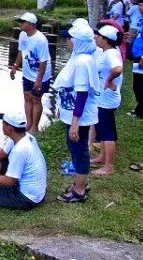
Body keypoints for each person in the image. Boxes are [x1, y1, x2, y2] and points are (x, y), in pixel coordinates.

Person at [54, 22, 99, 202]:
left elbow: (81, 94)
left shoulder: (82, 62)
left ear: (78, 41)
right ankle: (82, 182)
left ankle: (79, 191)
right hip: (73, 112)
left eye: (70, 38)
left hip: (78, 115)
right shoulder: (79, 56)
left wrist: (75, 123)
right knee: (75, 148)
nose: (67, 41)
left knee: (79, 150)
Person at [10, 12, 52, 134]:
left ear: (30, 24)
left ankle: (35, 126)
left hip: (40, 74)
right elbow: (21, 52)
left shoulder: (41, 40)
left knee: (36, 99)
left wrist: (38, 81)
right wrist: (15, 66)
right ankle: (28, 123)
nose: (20, 24)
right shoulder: (23, 35)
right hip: (27, 73)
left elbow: (43, 62)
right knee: (27, 97)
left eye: (22, 22)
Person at [91, 25, 123, 176]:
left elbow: (117, 69)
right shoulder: (107, 52)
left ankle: (109, 166)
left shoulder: (111, 54)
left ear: (106, 39)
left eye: (98, 36)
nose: (96, 38)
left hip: (106, 100)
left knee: (107, 131)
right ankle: (102, 157)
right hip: (102, 99)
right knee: (103, 130)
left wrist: (109, 80)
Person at [129, 0, 143, 118]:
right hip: (139, 56)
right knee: (138, 84)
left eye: (140, 5)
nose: (138, 7)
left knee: (142, 84)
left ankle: (142, 112)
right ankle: (140, 108)